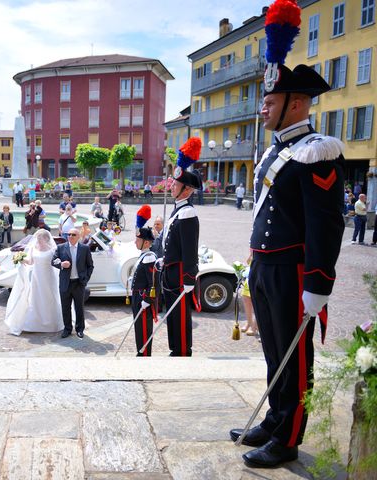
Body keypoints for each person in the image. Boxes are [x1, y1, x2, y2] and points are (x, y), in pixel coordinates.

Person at [229, 10, 346, 467]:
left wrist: (318, 284)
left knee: (295, 360)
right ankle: (276, 418)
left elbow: (326, 225)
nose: (262, 107)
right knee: (273, 350)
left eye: (269, 99)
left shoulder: (317, 151)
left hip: (294, 270)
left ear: (296, 103)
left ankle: (289, 438)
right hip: (265, 266)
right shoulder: (280, 151)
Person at [161, 137, 202, 357]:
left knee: (180, 315)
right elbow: (171, 243)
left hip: (179, 276)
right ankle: (174, 348)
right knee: (172, 314)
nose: (172, 186)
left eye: (176, 185)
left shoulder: (187, 213)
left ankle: (182, 350)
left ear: (186, 190)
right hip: (170, 272)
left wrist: (189, 279)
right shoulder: (178, 210)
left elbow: (189, 251)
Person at [5, 229, 63, 335]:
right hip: (37, 277)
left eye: (40, 239)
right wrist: (22, 260)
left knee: (49, 298)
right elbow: (31, 262)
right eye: (37, 239)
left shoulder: (53, 250)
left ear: (46, 239)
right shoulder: (33, 248)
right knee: (36, 298)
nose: (38, 241)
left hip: (48, 277)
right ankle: (35, 323)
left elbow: (56, 263)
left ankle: (51, 323)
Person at [51, 228, 94, 339]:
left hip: (79, 283)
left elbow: (90, 266)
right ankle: (67, 329)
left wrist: (86, 278)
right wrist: (61, 264)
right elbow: (53, 260)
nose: (70, 236)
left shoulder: (84, 249)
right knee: (65, 307)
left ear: (78, 236)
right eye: (68, 234)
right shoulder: (61, 248)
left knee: (79, 307)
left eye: (73, 234)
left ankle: (80, 329)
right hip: (65, 283)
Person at [131, 227, 160, 356]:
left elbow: (153, 283)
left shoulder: (149, 258)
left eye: (138, 240)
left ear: (147, 243)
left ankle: (144, 354)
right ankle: (140, 351)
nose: (135, 242)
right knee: (138, 327)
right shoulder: (143, 255)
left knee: (143, 328)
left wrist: (147, 300)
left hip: (143, 298)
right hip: (137, 296)